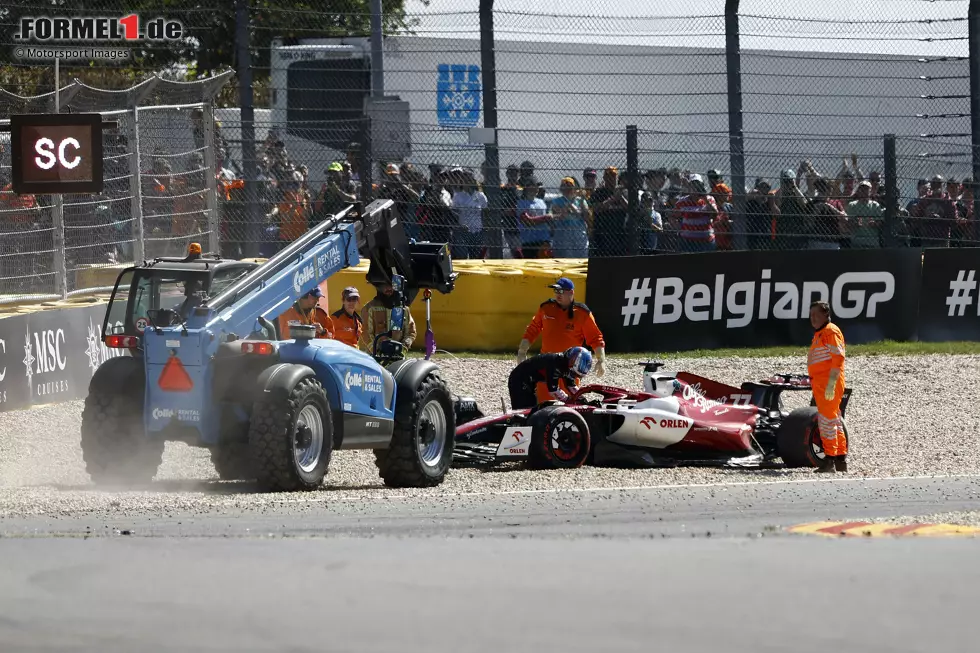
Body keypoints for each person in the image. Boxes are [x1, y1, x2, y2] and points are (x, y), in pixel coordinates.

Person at [517, 277, 606, 403]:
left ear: (571, 293)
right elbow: (532, 329)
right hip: (546, 365)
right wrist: (522, 351)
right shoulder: (546, 308)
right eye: (556, 291)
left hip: (570, 369)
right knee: (543, 403)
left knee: (570, 404)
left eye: (561, 291)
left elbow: (596, 338)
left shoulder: (582, 313)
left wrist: (601, 360)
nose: (558, 294)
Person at [807, 301, 848, 473]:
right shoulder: (820, 333)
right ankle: (840, 459)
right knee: (834, 420)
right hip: (822, 383)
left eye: (816, 315)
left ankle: (829, 460)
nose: (813, 318)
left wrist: (831, 384)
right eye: (811, 316)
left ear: (826, 314)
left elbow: (838, 358)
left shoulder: (830, 331)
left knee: (826, 422)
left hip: (828, 384)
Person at [508, 347, 594, 410]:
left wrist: (584, 401)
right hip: (518, 379)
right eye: (574, 373)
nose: (573, 375)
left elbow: (571, 386)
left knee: (532, 410)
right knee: (523, 412)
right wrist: (569, 401)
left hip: (529, 382)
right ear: (572, 362)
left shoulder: (566, 364)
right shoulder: (555, 363)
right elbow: (553, 390)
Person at [360, 282, 417, 354]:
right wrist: (376, 351)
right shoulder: (370, 308)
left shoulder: (404, 309)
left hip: (398, 356)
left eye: (391, 285)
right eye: (385, 285)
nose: (388, 288)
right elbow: (365, 332)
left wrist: (402, 348)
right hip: (375, 357)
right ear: (379, 287)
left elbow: (411, 332)